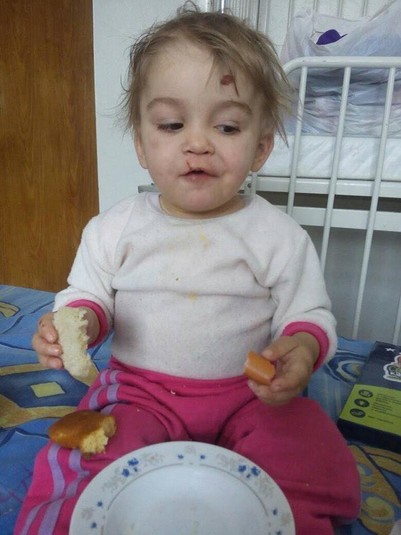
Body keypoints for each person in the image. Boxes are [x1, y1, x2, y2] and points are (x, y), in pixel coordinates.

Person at [15, 4, 360, 534]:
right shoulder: (115, 228)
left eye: (226, 126)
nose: (197, 143)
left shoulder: (278, 235)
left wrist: (304, 346)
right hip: (141, 394)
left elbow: (308, 313)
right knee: (90, 455)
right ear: (141, 143)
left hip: (249, 396)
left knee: (309, 451)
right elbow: (89, 296)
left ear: (260, 147)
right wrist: (76, 324)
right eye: (172, 124)